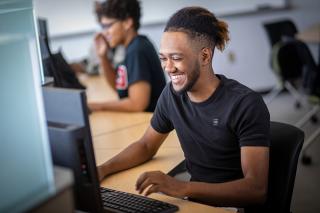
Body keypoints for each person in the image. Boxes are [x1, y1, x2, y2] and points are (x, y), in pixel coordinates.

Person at [97, 6, 270, 211]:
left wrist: (181, 187)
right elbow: (146, 145)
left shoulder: (245, 104)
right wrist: (102, 169)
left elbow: (256, 190)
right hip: (197, 202)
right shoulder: (172, 94)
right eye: (163, 58)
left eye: (176, 58)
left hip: (233, 207)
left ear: (205, 57)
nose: (168, 68)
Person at [88, 0, 166, 112]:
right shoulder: (131, 47)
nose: (104, 32)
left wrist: (98, 106)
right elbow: (119, 88)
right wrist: (103, 57)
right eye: (102, 27)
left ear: (127, 22)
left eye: (108, 26)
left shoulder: (137, 50)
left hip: (147, 121)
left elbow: (137, 104)